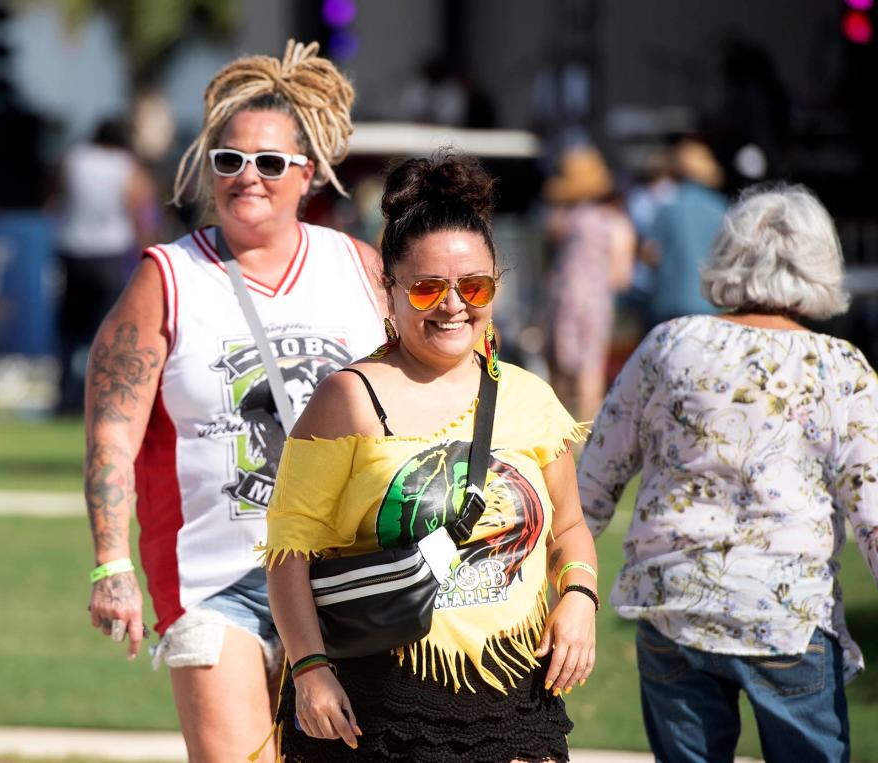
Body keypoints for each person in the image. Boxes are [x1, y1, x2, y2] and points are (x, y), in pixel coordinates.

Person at [83, 40, 386, 763]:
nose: (247, 176)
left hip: (345, 571)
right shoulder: (169, 276)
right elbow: (111, 433)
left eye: (270, 162)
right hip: (216, 578)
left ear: (306, 174)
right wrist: (109, 562)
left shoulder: (359, 269)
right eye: (229, 160)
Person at [265, 153, 599, 762]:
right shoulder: (348, 398)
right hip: (374, 706)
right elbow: (290, 550)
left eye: (474, 286)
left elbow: (570, 526)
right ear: (387, 289)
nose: (452, 305)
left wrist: (579, 596)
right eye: (426, 288)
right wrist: (310, 668)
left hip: (513, 697)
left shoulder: (530, 398)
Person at [577, 185, 878, 763]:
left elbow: (594, 479)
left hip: (672, 607)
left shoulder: (671, 342)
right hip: (785, 614)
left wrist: (560, 585)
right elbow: (872, 516)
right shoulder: (841, 368)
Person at [54, 118, 158, 413]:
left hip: (73, 250)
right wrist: (147, 248)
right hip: (110, 253)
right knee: (109, 329)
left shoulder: (74, 158)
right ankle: (102, 396)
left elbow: (55, 193)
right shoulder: (126, 165)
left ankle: (65, 397)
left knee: (70, 332)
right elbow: (138, 205)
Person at [542, 145, 635, 421]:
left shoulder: (560, 221)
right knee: (590, 367)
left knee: (558, 365)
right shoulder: (616, 223)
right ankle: (585, 428)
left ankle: (555, 427)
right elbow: (621, 276)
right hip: (595, 300)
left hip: (561, 297)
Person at [643, 138, 726, 326]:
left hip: (670, 300)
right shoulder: (720, 207)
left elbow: (650, 254)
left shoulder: (669, 206)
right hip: (710, 302)